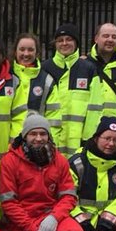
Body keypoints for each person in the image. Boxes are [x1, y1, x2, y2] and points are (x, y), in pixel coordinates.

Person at [0, 111, 85, 231]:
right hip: (22, 223)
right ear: (25, 136)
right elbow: (9, 203)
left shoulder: (59, 160)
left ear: (48, 136)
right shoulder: (9, 161)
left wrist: (54, 218)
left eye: (43, 134)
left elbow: (69, 196)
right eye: (33, 134)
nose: (38, 138)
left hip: (49, 216)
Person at [63, 22, 116, 153]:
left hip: (115, 132)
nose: (110, 40)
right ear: (96, 38)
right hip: (89, 132)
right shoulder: (82, 65)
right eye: (105, 36)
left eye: (114, 37)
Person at [68, 117, 116, 231]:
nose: (111, 144)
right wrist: (81, 219)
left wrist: (110, 215)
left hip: (112, 218)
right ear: (96, 138)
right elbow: (67, 195)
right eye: (107, 139)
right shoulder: (78, 162)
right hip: (82, 218)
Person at [26, 23, 81, 154]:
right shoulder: (45, 67)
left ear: (76, 42)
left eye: (69, 39)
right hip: (46, 137)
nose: (64, 43)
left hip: (77, 139)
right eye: (60, 40)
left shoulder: (88, 68)